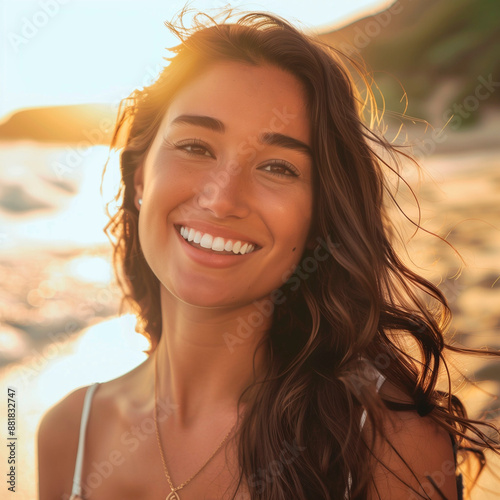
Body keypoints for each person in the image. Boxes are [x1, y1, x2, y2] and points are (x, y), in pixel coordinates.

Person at [37, 9, 499, 500]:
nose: (221, 198)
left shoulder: (385, 446)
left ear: (319, 212)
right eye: (195, 146)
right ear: (140, 179)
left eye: (278, 167)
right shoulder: (70, 433)